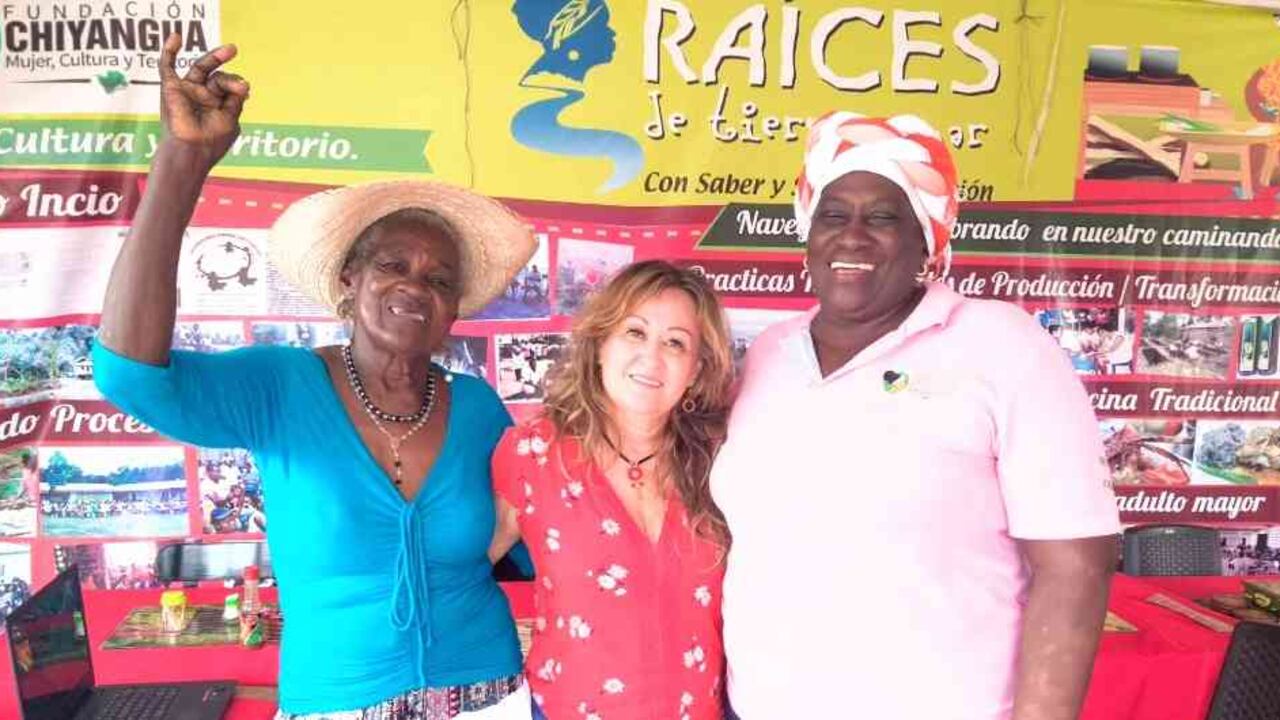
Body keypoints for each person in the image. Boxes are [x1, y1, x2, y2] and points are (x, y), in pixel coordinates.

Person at [91, 35, 538, 719]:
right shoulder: (282, 386)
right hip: (336, 700)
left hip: (488, 694)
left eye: (439, 279)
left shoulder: (477, 408)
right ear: (350, 279)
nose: (414, 287)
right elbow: (131, 377)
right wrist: (181, 162)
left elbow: (541, 531)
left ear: (453, 309)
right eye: (393, 265)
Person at [710, 113, 1120, 720]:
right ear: (808, 233)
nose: (852, 237)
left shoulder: (1002, 345)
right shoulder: (769, 352)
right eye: (832, 215)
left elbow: (1075, 565)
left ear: (926, 239)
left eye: (882, 217)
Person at [488, 261, 734, 720]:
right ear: (600, 344)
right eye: (635, 333)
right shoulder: (534, 454)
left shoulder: (719, 461)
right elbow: (460, 572)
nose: (651, 357)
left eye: (675, 342)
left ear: (696, 370)